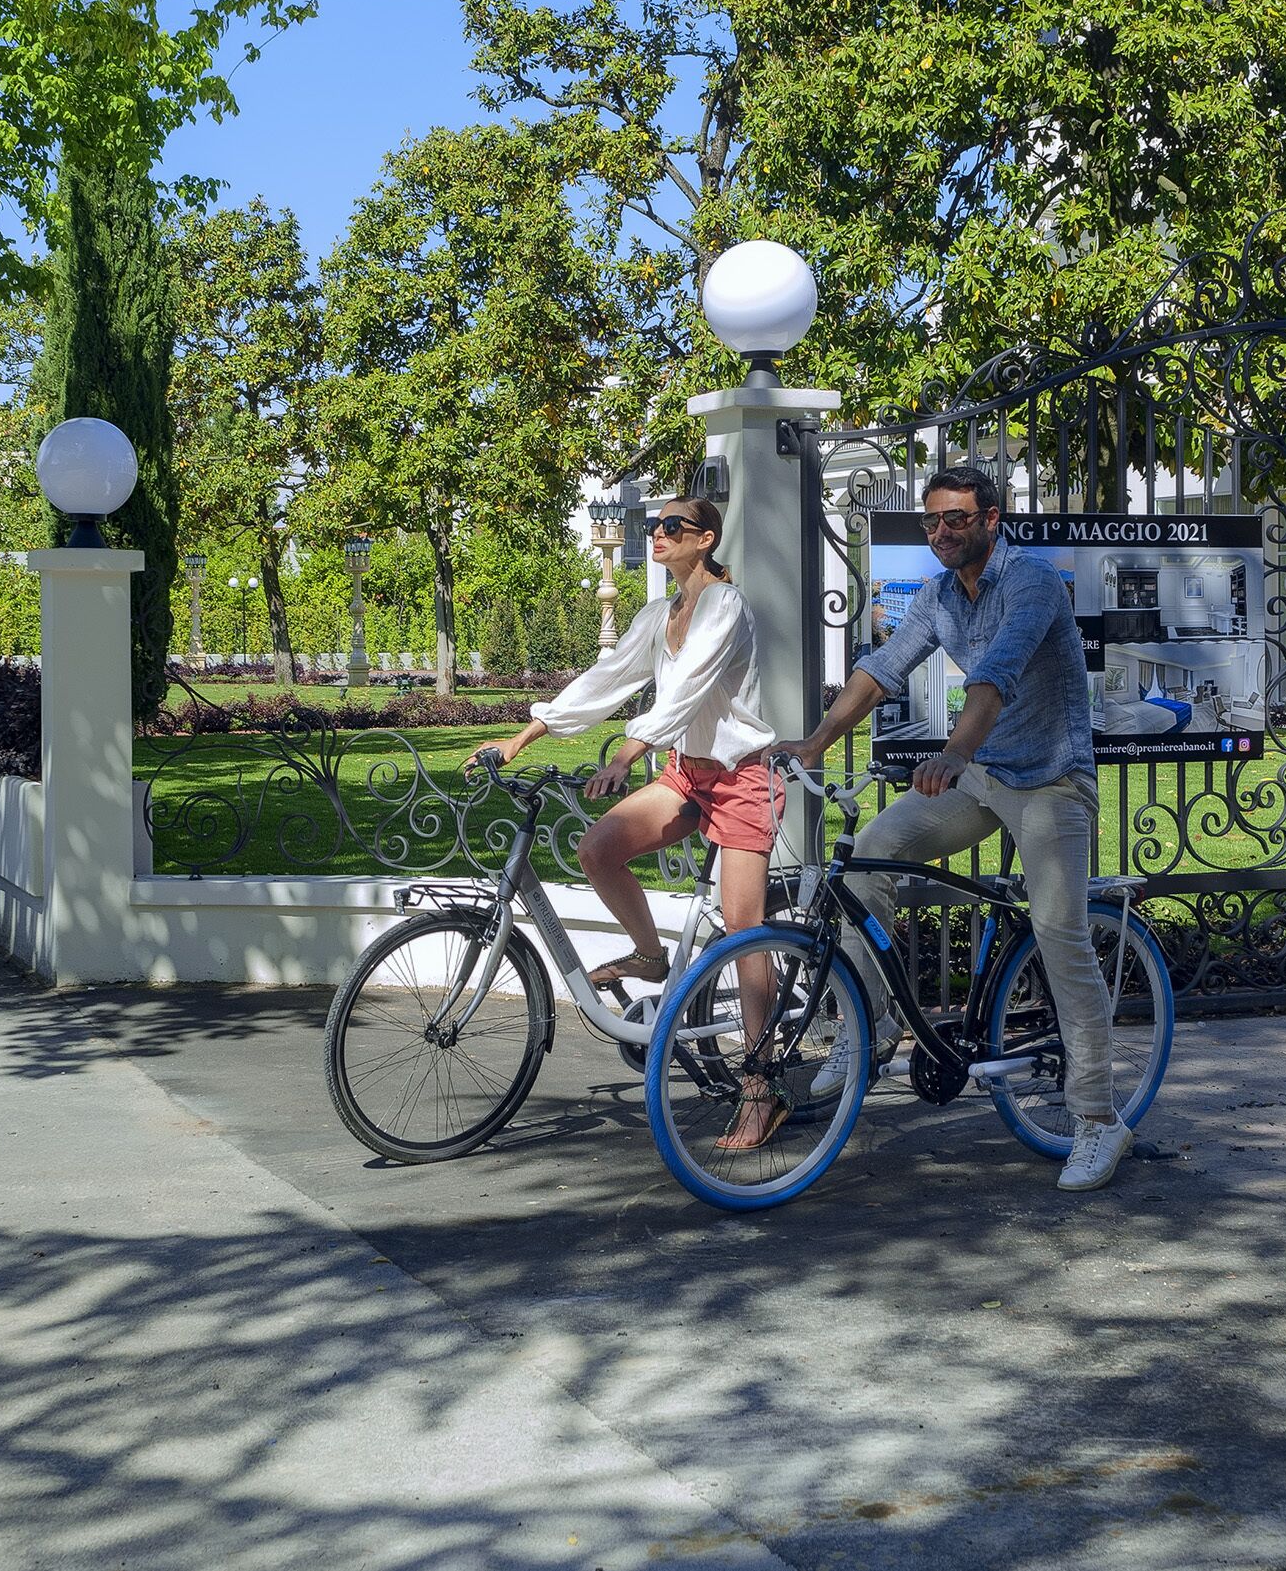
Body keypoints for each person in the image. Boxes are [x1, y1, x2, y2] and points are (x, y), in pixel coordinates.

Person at [771, 464, 1131, 1192]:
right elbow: (881, 670)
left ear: (992, 520)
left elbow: (994, 677)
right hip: (983, 776)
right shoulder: (939, 595)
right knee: (874, 853)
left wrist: (955, 750)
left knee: (1060, 936)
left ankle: (1097, 1119)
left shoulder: (1030, 584)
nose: (941, 532)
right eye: (931, 521)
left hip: (1052, 780)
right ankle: (867, 1029)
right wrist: (813, 741)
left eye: (957, 519)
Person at [470, 496, 787, 1149]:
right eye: (654, 526)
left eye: (672, 526)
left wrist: (624, 754)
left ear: (705, 539)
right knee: (598, 847)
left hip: (740, 777)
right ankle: (649, 953)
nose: (658, 534)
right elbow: (604, 679)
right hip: (686, 773)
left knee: (743, 934)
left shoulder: (726, 607)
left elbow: (685, 690)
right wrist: (520, 740)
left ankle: (762, 1089)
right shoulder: (657, 615)